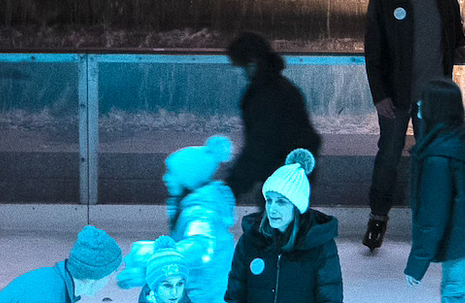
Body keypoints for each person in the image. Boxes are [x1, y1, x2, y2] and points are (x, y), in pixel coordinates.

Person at [363, 0, 465, 251]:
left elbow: (454, 21)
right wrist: (379, 94)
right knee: (389, 156)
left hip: (434, 95)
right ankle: (377, 219)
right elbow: (374, 49)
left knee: (434, 158)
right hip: (396, 95)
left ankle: (434, 223)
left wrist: (460, 46)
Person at [406, 77, 465, 302]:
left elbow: (433, 215)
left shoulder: (439, 156)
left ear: (435, 107)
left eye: (423, 101)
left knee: (458, 295)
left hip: (464, 242)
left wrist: (417, 262)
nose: (418, 105)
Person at [225, 148, 342, 303]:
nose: (272, 209)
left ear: (296, 207)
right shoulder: (250, 240)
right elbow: (235, 295)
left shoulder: (320, 246)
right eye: (269, 200)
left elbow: (329, 298)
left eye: (281, 202)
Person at [225, 32, 323, 203]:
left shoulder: (266, 94)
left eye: (243, 66)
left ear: (253, 62)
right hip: (292, 167)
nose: (243, 73)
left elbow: (260, 145)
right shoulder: (276, 86)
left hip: (286, 170)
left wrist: (232, 187)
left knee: (274, 216)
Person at [138, 134, 236, 303]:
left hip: (202, 295)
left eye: (172, 173)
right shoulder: (194, 206)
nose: (165, 178)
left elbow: (199, 246)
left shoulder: (200, 212)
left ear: (188, 178)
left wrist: (156, 256)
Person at [0, 225, 121, 302]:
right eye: (110, 274)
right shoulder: (48, 296)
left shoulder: (54, 280)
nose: (111, 280)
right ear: (94, 276)